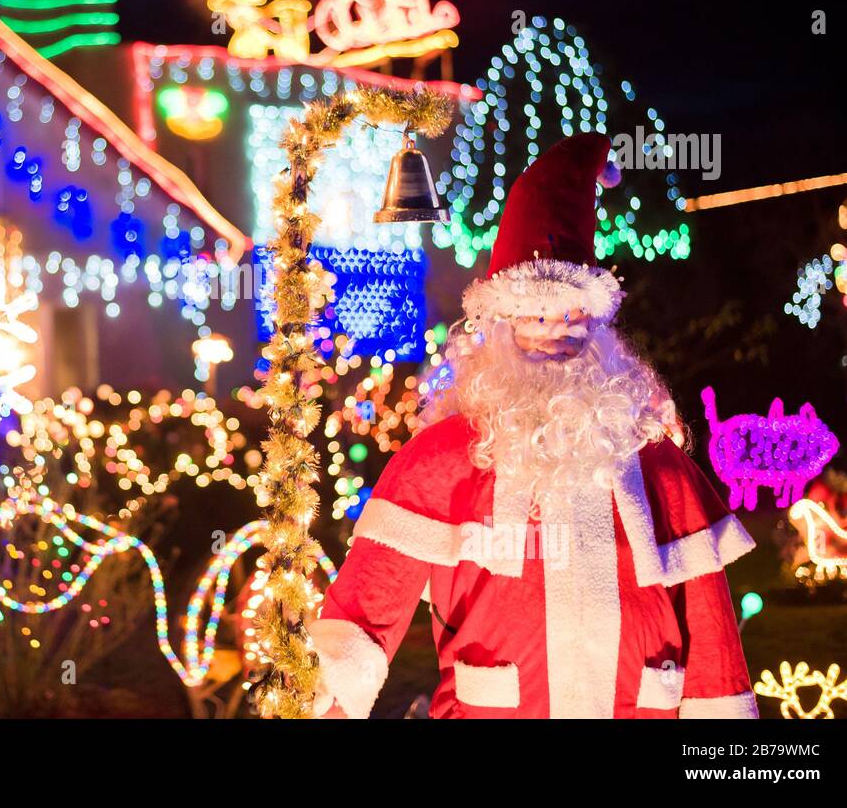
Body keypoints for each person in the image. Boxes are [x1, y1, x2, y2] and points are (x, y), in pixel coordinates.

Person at [308, 133, 757, 719]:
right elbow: (372, 598)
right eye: (536, 314)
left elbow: (709, 623)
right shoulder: (442, 458)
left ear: (597, 326)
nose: (555, 332)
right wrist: (329, 702)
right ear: (501, 322)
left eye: (573, 315)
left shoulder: (654, 463)